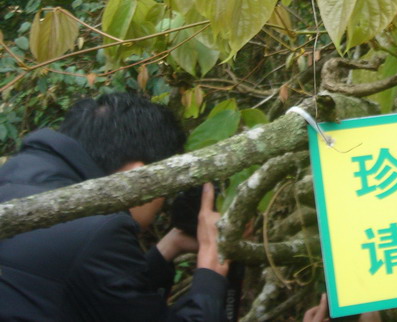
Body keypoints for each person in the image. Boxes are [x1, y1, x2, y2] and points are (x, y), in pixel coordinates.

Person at [0, 93, 229, 321]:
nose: (161, 205)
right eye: (164, 192)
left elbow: (102, 294)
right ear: (140, 176)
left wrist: (170, 247)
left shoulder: (11, 179)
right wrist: (211, 269)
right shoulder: (99, 231)